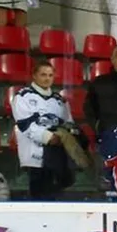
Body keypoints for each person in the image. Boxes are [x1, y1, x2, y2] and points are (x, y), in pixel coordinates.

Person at [11, 61, 76, 200]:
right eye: (43, 75)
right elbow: (24, 125)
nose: (47, 78)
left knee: (57, 196)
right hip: (34, 155)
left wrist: (63, 137)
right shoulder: (23, 96)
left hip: (57, 155)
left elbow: (69, 124)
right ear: (34, 76)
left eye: (50, 75)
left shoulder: (60, 100)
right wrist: (49, 138)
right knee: (38, 197)